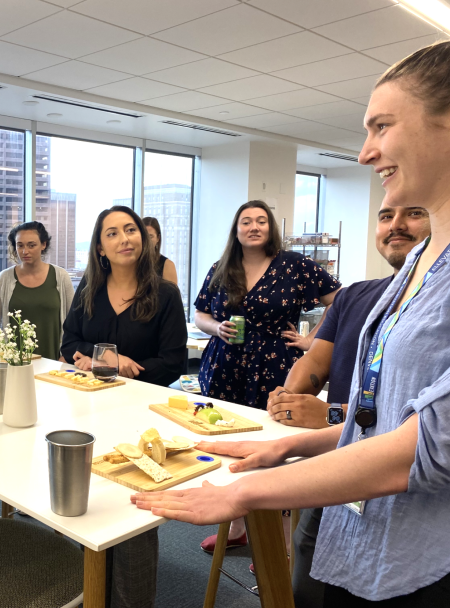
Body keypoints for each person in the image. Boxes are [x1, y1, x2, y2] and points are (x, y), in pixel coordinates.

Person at [134, 41, 450, 605]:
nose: (364, 152)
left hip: (423, 564)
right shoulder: (419, 269)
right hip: (364, 539)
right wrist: (286, 449)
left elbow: (424, 448)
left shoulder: (306, 268)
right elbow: (383, 417)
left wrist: (252, 491)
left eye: (381, 126)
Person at [265, 203, 430, 608]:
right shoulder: (357, 295)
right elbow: (314, 362)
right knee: (307, 583)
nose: (396, 226)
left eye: (414, 213)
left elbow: (416, 417)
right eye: (386, 216)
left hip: (400, 493)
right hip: (336, 478)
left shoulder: (432, 308)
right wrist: (290, 395)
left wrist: (331, 416)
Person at [193, 199, 340, 553]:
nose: (254, 227)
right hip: (224, 367)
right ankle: (237, 528)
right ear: (237, 229)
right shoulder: (222, 266)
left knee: (277, 447)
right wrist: (216, 327)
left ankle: (280, 543)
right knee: (230, 443)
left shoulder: (293, 265)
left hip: (275, 368)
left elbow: (340, 300)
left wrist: (312, 341)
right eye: (246, 221)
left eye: (261, 221)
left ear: (270, 228)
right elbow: (199, 313)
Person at [60, 206, 187, 607]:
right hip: (89, 410)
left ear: (144, 238)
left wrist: (131, 369)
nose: (124, 239)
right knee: (92, 503)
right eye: (112, 233)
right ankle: (92, 590)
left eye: (130, 230)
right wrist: (103, 360)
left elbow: (174, 363)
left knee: (134, 512)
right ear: (100, 246)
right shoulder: (88, 290)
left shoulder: (164, 294)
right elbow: (68, 344)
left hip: (139, 417)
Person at [0, 222, 74, 360]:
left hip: (54, 360)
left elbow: (73, 322)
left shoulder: (60, 277)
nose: (25, 251)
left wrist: (67, 355)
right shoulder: (5, 278)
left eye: (31, 245)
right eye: (20, 245)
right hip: (14, 361)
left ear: (43, 244)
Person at [142, 217, 178, 283]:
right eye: (143, 236)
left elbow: (171, 293)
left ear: (158, 238)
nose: (146, 240)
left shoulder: (167, 265)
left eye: (150, 237)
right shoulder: (132, 263)